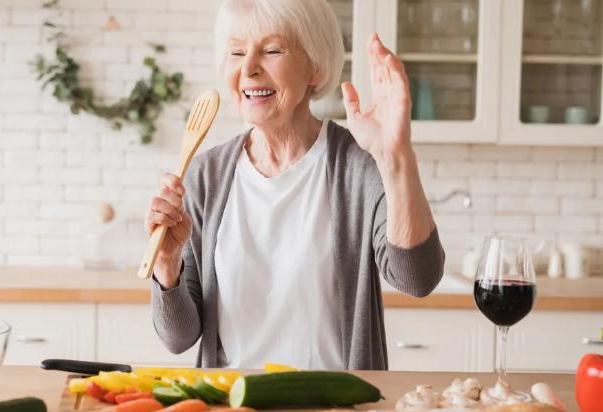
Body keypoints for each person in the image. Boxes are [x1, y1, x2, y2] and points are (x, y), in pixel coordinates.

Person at [144, 0, 444, 370]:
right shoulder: (206, 174)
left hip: (337, 402)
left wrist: (396, 156)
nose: (249, 69)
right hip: (232, 399)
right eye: (237, 52)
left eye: (272, 50)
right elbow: (178, 338)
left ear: (314, 66)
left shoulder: (359, 163)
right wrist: (167, 263)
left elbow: (417, 279)